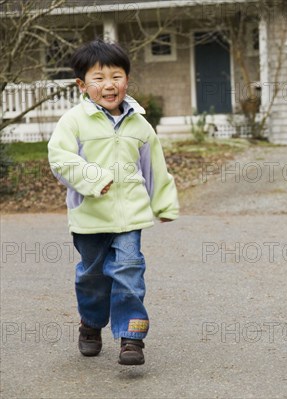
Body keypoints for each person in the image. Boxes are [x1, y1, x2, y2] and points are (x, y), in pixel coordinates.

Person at [48, 39, 179, 365]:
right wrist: (93, 179)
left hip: (129, 217)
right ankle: (91, 324)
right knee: (92, 279)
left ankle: (131, 338)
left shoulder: (139, 124)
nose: (109, 85)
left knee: (129, 270)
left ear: (127, 79)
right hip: (89, 218)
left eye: (117, 76)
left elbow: (154, 167)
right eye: (98, 78)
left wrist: (163, 203)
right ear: (82, 84)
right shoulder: (74, 121)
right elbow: (60, 160)